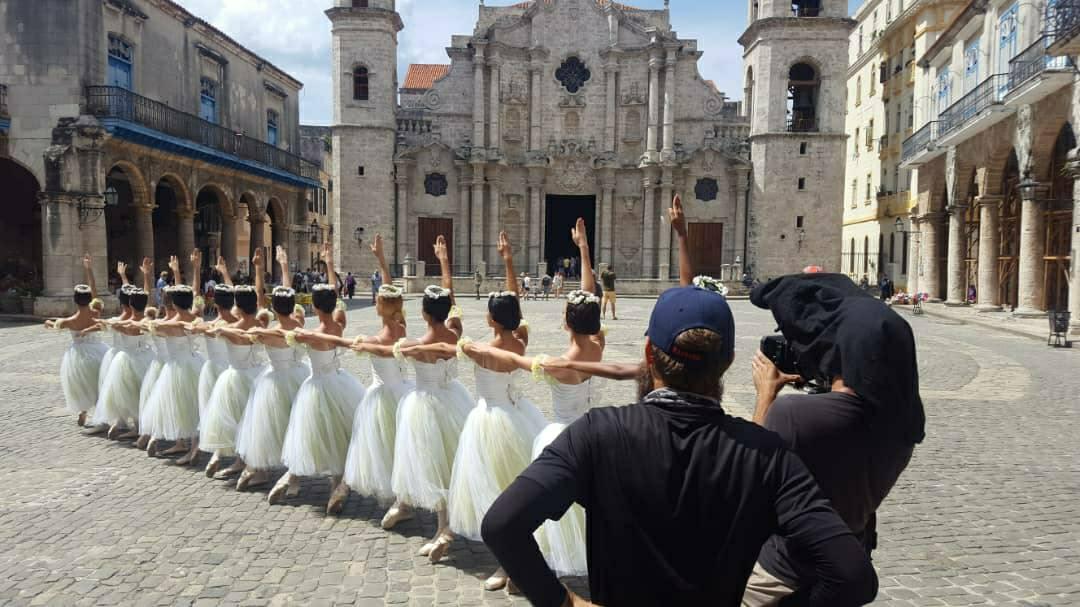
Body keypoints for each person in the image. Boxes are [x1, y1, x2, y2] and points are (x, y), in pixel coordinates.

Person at [480, 280, 879, 607]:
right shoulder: (767, 456)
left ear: (649, 354)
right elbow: (853, 575)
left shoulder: (597, 433)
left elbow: (502, 525)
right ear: (727, 362)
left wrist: (564, 603)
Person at [742, 273, 922, 605]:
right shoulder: (902, 426)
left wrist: (765, 395)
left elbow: (748, 476)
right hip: (849, 559)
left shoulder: (795, 416)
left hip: (782, 572)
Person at [468, 217, 601, 580]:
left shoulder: (558, 364)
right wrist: (584, 250)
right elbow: (589, 294)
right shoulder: (598, 344)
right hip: (590, 432)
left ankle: (528, 565)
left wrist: (479, 349)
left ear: (566, 323)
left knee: (542, 501)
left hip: (561, 437)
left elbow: (517, 360)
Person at [450, 231, 548, 592]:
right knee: (514, 492)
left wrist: (448, 281)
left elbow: (453, 319)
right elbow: (515, 304)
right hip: (517, 417)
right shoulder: (520, 340)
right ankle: (514, 560)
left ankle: (509, 564)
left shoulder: (478, 349)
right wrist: (508, 260)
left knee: (495, 491)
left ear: (492, 320)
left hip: (490, 422)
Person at [271, 244, 366, 512]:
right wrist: (329, 265)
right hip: (339, 383)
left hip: (317, 387)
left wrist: (285, 266)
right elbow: (334, 294)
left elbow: (285, 314)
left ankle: (294, 476)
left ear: (313, 305)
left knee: (310, 434)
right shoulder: (339, 323)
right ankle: (336, 484)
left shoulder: (309, 334)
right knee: (339, 434)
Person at [234, 246, 309, 491]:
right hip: (299, 377)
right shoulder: (298, 324)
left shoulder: (266, 332)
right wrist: (284, 266)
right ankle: (292, 474)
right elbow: (286, 294)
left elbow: (259, 299)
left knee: (266, 427)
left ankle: (262, 470)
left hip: (274, 381)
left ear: (273, 308)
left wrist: (258, 269)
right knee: (294, 424)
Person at [200, 249, 268, 477]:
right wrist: (257, 269)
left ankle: (243, 462)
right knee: (253, 421)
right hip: (257, 376)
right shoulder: (259, 321)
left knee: (239, 419)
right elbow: (258, 297)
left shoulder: (228, 328)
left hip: (236, 378)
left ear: (237, 305)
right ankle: (247, 463)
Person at [46, 253, 109, 428]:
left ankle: (83, 411)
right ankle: (101, 413)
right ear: (90, 300)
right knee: (99, 382)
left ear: (75, 300)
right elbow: (94, 291)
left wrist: (48, 322)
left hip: (78, 355)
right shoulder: (96, 312)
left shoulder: (70, 320)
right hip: (98, 351)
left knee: (82, 384)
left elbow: (54, 325)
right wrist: (89, 270)